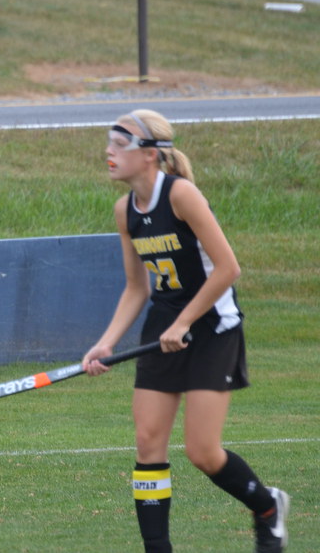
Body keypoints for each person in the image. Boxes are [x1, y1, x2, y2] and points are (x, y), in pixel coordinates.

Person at [81, 109, 290, 553]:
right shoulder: (125, 211)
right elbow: (137, 287)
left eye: (121, 144)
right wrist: (106, 342)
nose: (109, 152)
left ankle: (268, 507)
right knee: (147, 440)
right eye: (109, 142)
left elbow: (228, 268)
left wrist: (184, 322)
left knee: (203, 452)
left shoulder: (182, 196)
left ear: (151, 155)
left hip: (213, 325)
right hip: (166, 325)